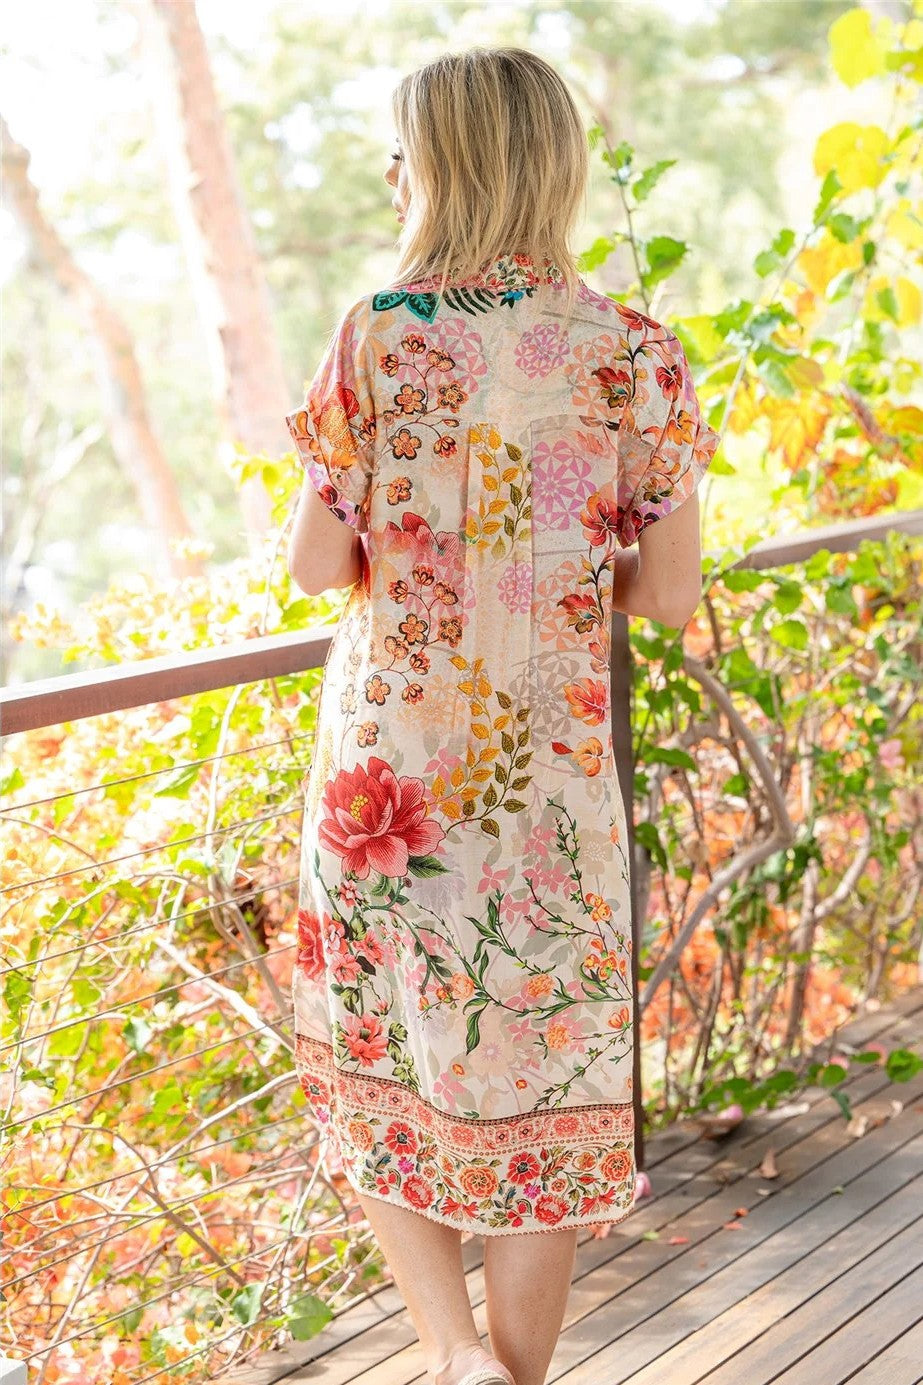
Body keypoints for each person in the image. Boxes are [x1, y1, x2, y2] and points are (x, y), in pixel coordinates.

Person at [284, 46, 719, 1385]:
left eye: (403, 148)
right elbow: (666, 595)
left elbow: (313, 566)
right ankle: (512, 1377)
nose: (392, 171)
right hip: (548, 796)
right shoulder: (636, 354)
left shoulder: (380, 329)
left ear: (449, 163)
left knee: (379, 1061)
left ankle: (454, 1351)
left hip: (386, 788)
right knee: (549, 1086)